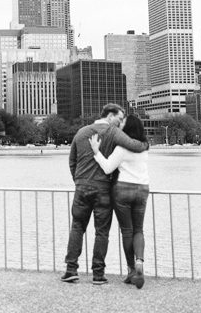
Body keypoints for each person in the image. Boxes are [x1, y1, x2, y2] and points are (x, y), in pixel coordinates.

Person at [61, 103, 148, 285]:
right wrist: (146, 144)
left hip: (82, 188)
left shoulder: (81, 132)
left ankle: (71, 270)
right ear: (110, 116)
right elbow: (134, 145)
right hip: (103, 190)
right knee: (102, 232)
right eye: (119, 118)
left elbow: (72, 162)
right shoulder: (113, 132)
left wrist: (78, 181)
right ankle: (98, 275)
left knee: (77, 227)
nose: (120, 122)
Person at [88, 114, 150, 289]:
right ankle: (139, 260)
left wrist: (96, 152)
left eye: (123, 124)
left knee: (127, 231)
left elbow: (108, 167)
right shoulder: (145, 148)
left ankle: (131, 270)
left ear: (127, 129)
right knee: (139, 230)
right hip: (143, 189)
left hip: (122, 190)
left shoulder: (122, 148)